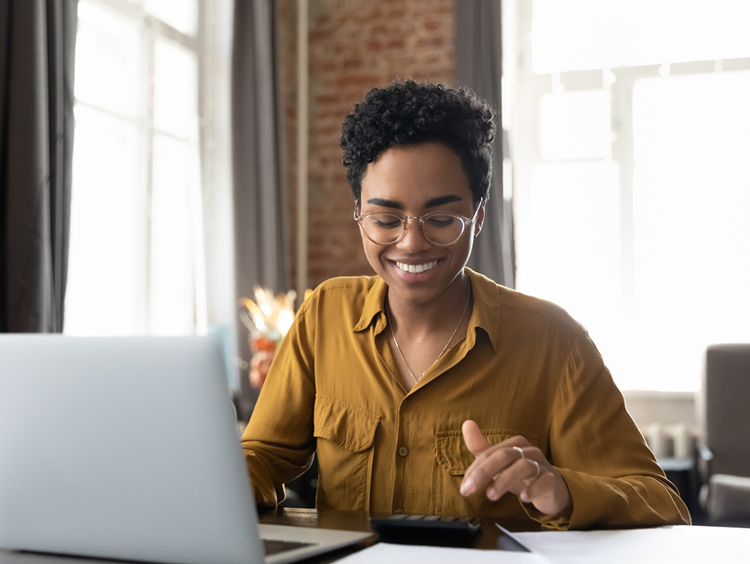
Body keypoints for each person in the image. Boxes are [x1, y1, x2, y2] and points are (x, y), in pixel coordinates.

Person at [240, 81, 690, 529]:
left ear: (478, 216)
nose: (412, 243)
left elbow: (661, 503)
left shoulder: (555, 342)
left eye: (440, 219)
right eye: (386, 220)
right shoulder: (324, 316)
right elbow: (263, 456)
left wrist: (561, 489)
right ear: (358, 213)